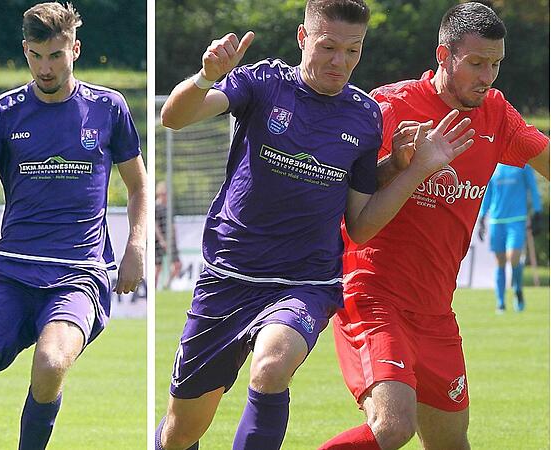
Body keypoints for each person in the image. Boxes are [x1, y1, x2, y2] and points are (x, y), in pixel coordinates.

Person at [155, 1, 475, 448]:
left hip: (305, 280)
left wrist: (414, 168)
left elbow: (361, 225)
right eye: (328, 47)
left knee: (271, 366)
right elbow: (174, 117)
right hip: (229, 274)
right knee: (180, 432)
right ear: (303, 39)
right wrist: (208, 75)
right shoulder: (265, 82)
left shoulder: (365, 116)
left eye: (353, 50)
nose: (340, 62)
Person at [321, 3, 549, 449]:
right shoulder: (389, 107)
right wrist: (403, 166)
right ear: (444, 56)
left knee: (451, 443)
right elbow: (349, 206)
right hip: (372, 296)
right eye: (477, 63)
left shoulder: (496, 114)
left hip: (435, 312)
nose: (488, 76)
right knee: (392, 427)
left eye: (496, 64)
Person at [0, 3, 147, 449]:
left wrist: (136, 247)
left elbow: (139, 187)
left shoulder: (108, 108)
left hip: (77, 274)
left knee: (50, 364)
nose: (46, 67)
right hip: (10, 271)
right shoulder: (2, 113)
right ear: (25, 50)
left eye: (56, 56)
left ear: (75, 50)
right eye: (36, 56)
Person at [477, 163, 542, 313]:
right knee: (500, 262)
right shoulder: (494, 165)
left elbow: (533, 189)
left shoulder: (523, 165)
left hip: (517, 219)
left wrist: (537, 212)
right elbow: (488, 193)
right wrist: (482, 217)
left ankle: (518, 289)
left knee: (513, 257)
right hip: (496, 221)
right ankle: (500, 303)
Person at [155, 181, 182, 289]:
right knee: (157, 268)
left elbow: (172, 224)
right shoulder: (156, 207)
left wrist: (174, 237)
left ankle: (166, 285)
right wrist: (161, 240)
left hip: (170, 240)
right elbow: (155, 224)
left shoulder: (168, 208)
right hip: (158, 241)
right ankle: (154, 289)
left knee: (177, 265)